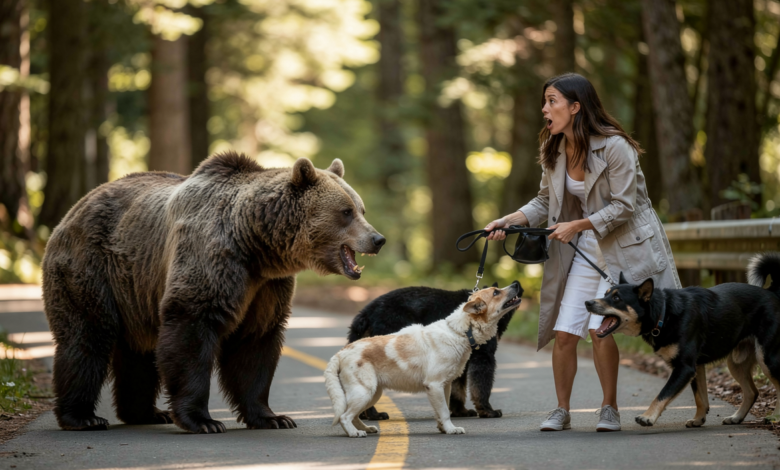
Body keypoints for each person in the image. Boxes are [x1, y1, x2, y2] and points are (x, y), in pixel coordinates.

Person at [485, 73, 681, 432]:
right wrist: (508, 220)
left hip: (621, 247)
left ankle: (609, 408)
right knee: (565, 331)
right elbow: (545, 201)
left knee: (599, 329)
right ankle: (561, 410)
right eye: (545, 101)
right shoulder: (555, 148)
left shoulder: (616, 146)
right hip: (584, 249)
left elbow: (624, 206)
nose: (545, 108)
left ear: (575, 107)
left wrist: (575, 226)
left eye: (552, 101)